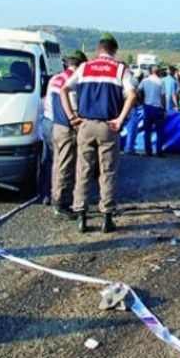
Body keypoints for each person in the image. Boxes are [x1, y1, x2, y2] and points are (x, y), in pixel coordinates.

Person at [60, 34, 137, 233]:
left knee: (83, 170)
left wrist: (72, 117)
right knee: (108, 171)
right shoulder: (120, 69)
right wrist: (120, 119)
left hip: (85, 125)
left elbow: (64, 89)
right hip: (108, 126)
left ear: (98, 50)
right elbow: (133, 94)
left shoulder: (85, 67)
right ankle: (106, 218)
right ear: (115, 51)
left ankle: (82, 217)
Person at [46, 50, 87, 220]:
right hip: (67, 128)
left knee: (57, 164)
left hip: (54, 125)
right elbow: (74, 107)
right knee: (66, 166)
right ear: (78, 66)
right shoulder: (73, 82)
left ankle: (56, 197)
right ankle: (61, 204)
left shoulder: (55, 78)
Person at [138, 65, 166, 157]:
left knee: (147, 131)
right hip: (157, 108)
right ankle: (159, 151)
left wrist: (142, 101)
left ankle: (148, 151)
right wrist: (164, 109)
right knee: (159, 131)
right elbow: (163, 97)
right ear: (158, 72)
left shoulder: (145, 80)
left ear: (151, 72)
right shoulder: (161, 82)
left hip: (147, 107)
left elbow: (138, 91)